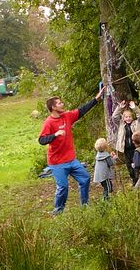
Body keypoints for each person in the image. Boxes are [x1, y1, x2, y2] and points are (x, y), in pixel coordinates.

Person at [39, 87, 104, 215]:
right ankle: (58, 211)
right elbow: (41, 140)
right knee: (63, 187)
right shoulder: (49, 122)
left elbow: (82, 111)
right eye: (59, 103)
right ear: (53, 108)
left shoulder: (67, 116)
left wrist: (96, 99)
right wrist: (55, 135)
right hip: (57, 162)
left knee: (85, 179)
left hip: (71, 159)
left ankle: (85, 205)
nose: (62, 104)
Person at [112, 99, 140, 186]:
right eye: (126, 117)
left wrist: (134, 108)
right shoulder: (121, 125)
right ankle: (134, 180)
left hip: (136, 149)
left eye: (130, 116)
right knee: (129, 166)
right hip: (126, 150)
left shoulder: (136, 123)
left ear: (132, 117)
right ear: (123, 118)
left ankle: (138, 181)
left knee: (137, 165)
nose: (128, 118)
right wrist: (119, 107)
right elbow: (114, 117)